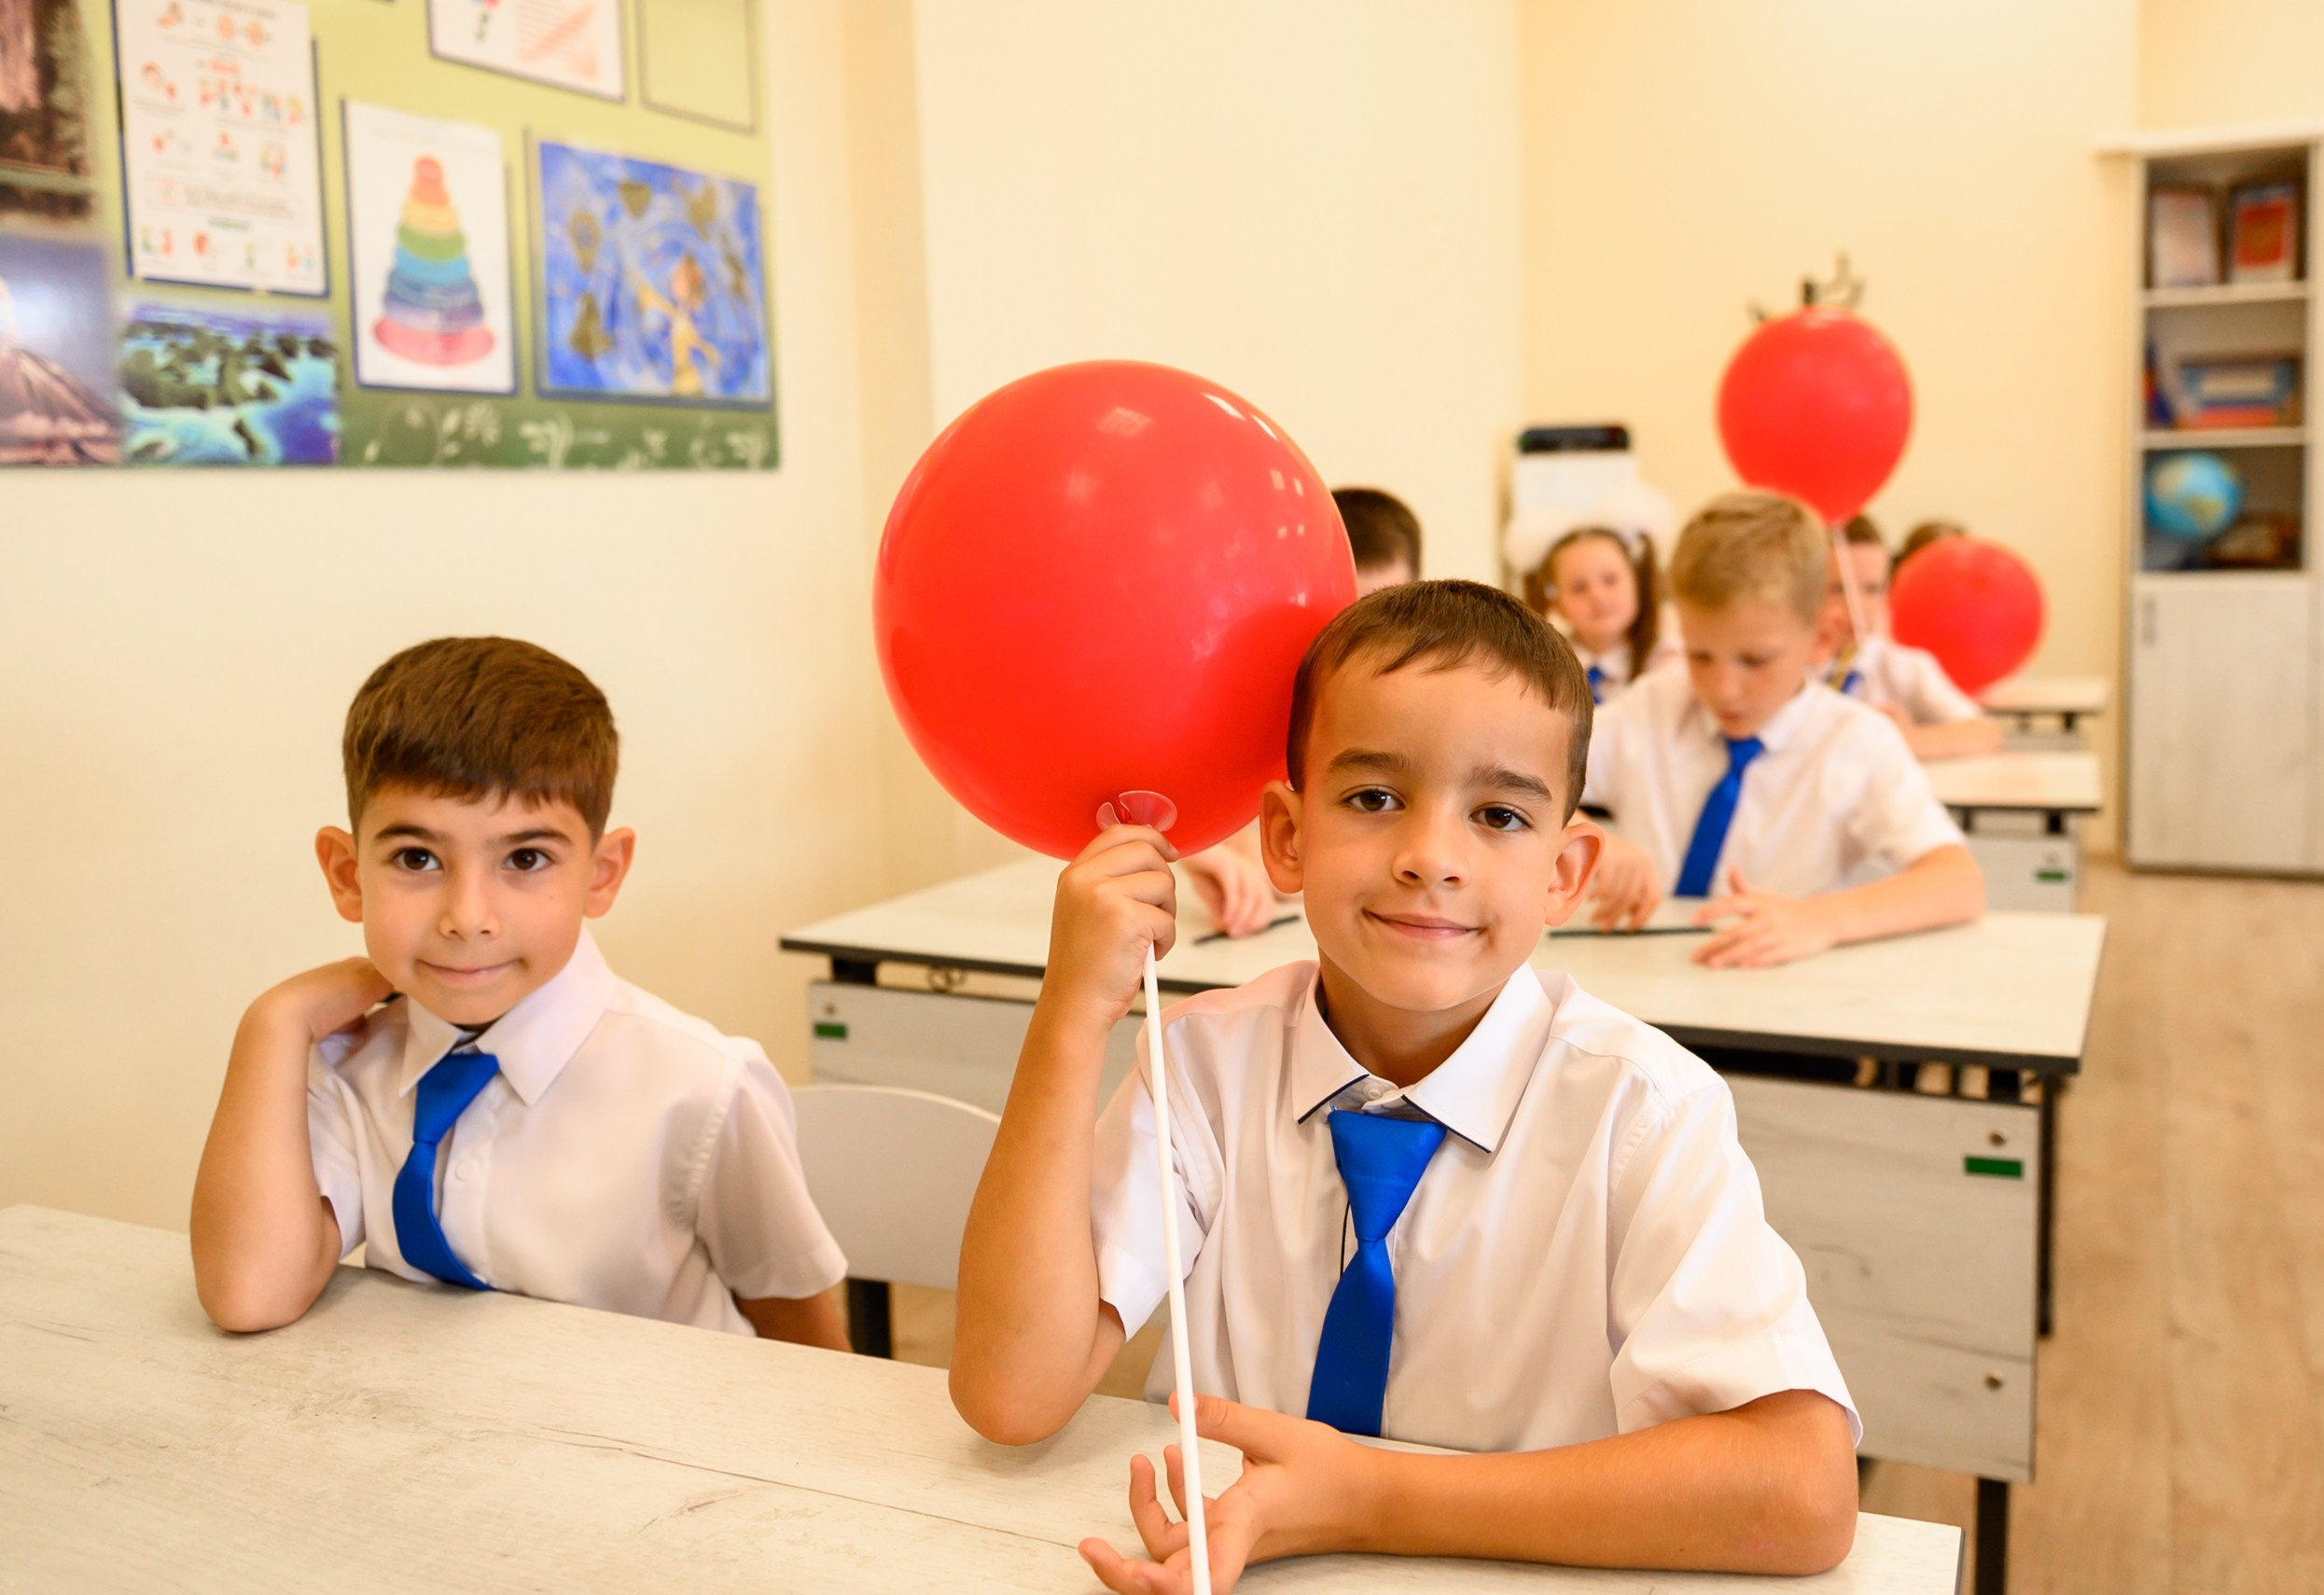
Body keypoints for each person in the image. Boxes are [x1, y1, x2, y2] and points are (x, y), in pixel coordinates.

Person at [951, 580, 1861, 1591]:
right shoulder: (1206, 1064)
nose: (1431, 858)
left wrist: (1372, 1497)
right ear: (1286, 840)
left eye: (1499, 815)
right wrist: (1072, 1011)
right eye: (1373, 798)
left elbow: (1803, 1490)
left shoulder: (1642, 1111)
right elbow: (1011, 1395)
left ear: (1566, 871)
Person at [188, 636, 848, 1346]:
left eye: (525, 859)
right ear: (348, 875)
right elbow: (248, 1293)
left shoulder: (703, 1086)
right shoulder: (345, 1064)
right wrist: (273, 1022)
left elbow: (802, 1341)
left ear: (601, 874)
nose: (468, 918)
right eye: (417, 858)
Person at [1584, 492, 1984, 966]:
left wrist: (1821, 920)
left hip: (1778, 1007)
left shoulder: (1855, 742)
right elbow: (1506, 775)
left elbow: (1959, 883)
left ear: (1822, 638)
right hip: (1643, 996)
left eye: (1755, 660)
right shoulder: (1653, 707)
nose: (1724, 689)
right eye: (1699, 656)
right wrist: (1582, 832)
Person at [1181, 487, 1425, 936]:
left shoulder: (1431, 711)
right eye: (1342, 613)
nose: (1362, 639)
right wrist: (1206, 856)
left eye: (1384, 611)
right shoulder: (1262, 707)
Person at [1823, 517, 2003, 759]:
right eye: (1838, 589)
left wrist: (1906, 738)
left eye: (1872, 589)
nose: (1857, 605)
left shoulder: (1903, 666)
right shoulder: (1783, 666)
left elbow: (1985, 732)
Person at [1533, 525, 1679, 703]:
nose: (1597, 596)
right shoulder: (1543, 668)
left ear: (1636, 583)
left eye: (1610, 580)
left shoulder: (1668, 664)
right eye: (1578, 588)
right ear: (1556, 604)